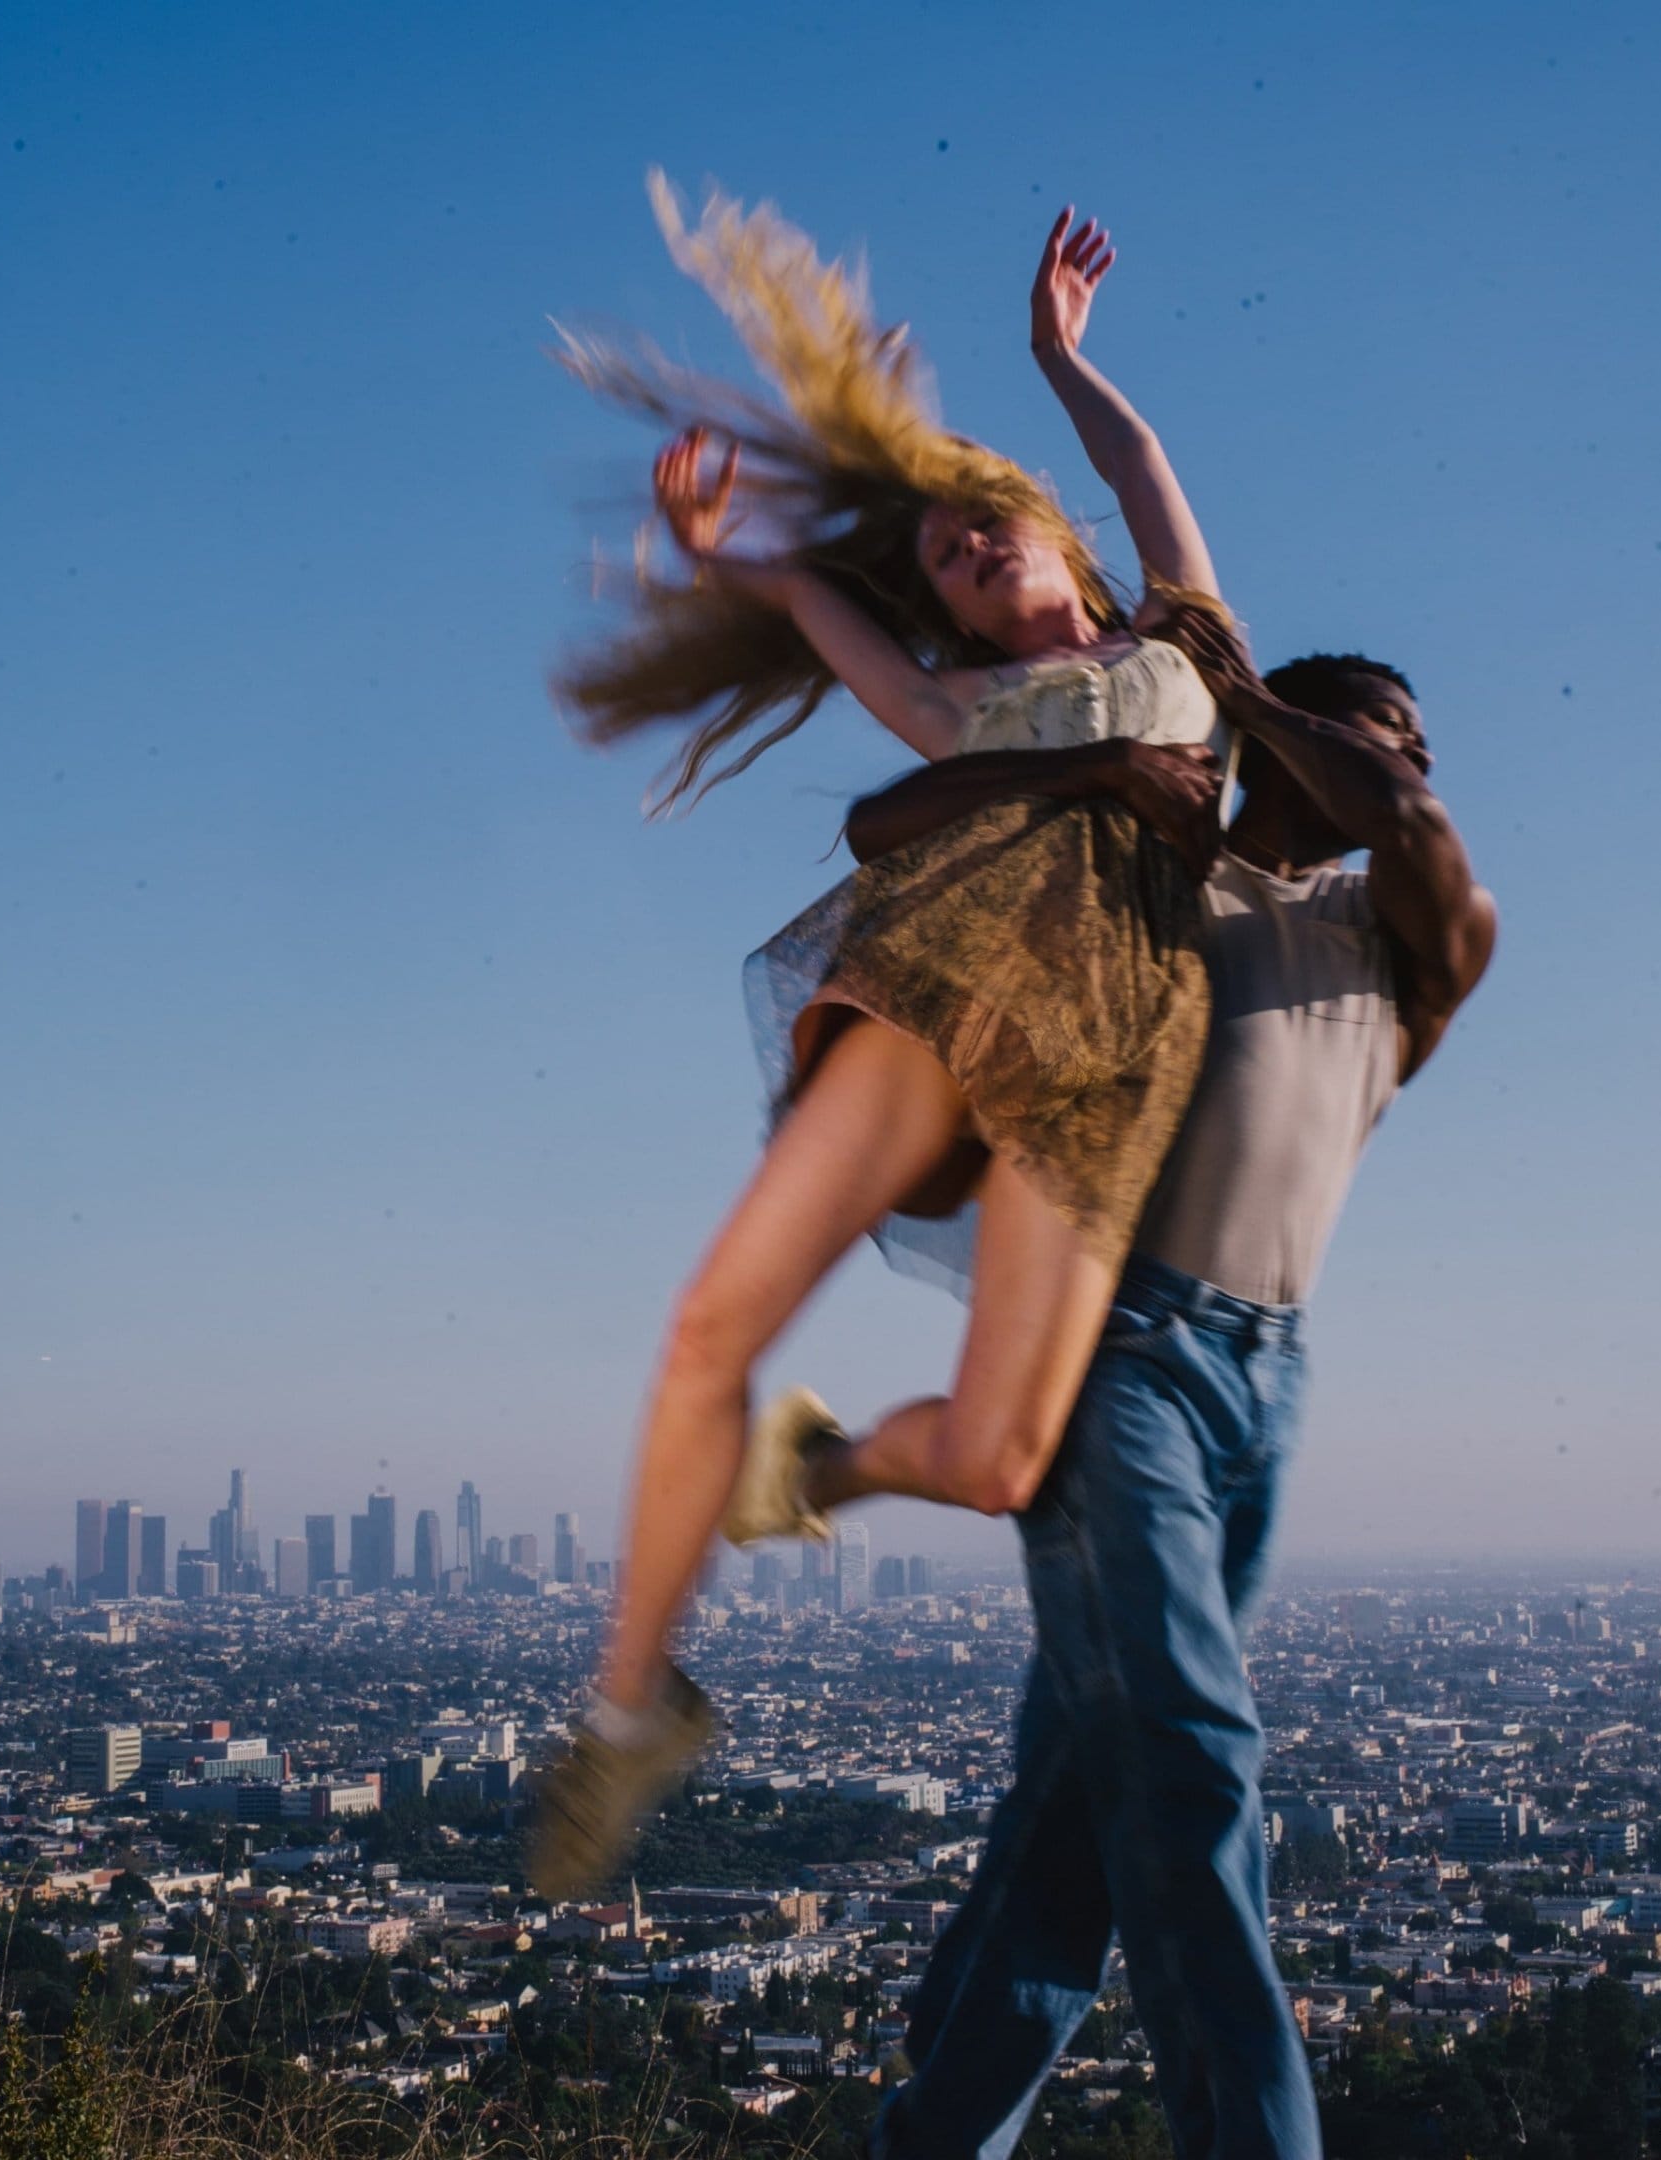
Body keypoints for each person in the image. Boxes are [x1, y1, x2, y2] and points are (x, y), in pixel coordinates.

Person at [529, 184, 1266, 1899]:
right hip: (948, 986)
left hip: (1115, 1052)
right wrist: (723, 556)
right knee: (710, 1322)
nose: (961, 550)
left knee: (1005, 1459)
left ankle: (819, 1463)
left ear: (1054, 533)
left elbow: (1145, 466)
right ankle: (630, 1706)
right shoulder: (958, 708)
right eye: (936, 556)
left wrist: (1058, 360)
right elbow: (812, 603)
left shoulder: (1188, 643)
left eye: (981, 522)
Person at [870, 655, 1496, 2155]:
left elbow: (1409, 821)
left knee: (1077, 1812)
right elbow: (888, 829)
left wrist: (1257, 700)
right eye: (1380, 730)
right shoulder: (1148, 888)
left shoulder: (1408, 941)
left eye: (1416, 742)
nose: (1410, 763)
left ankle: (934, 2132)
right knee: (1192, 1754)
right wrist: (1098, 768)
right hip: (1117, 1357)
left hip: (1265, 1379)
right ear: (1285, 734)